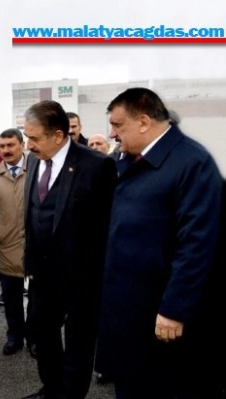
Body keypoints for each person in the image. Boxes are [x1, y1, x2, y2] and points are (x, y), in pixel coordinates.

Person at [95, 87, 222, 398]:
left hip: (161, 318)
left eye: (117, 125)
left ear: (143, 121)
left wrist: (175, 308)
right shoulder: (132, 161)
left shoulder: (192, 163)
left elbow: (197, 244)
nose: (112, 133)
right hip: (131, 313)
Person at [21, 100, 116, 399]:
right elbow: (34, 213)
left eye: (34, 138)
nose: (28, 144)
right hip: (41, 275)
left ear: (59, 136)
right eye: (27, 136)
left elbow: (107, 227)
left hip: (80, 278)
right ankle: (51, 389)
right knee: (44, 336)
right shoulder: (34, 161)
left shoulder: (97, 166)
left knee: (78, 344)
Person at [0, 128, 30, 355]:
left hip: (36, 245)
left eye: (10, 145)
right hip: (8, 246)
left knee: (39, 299)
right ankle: (15, 337)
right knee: (11, 297)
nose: (5, 150)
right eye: (1, 146)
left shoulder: (37, 169)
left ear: (22, 145)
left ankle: (35, 337)